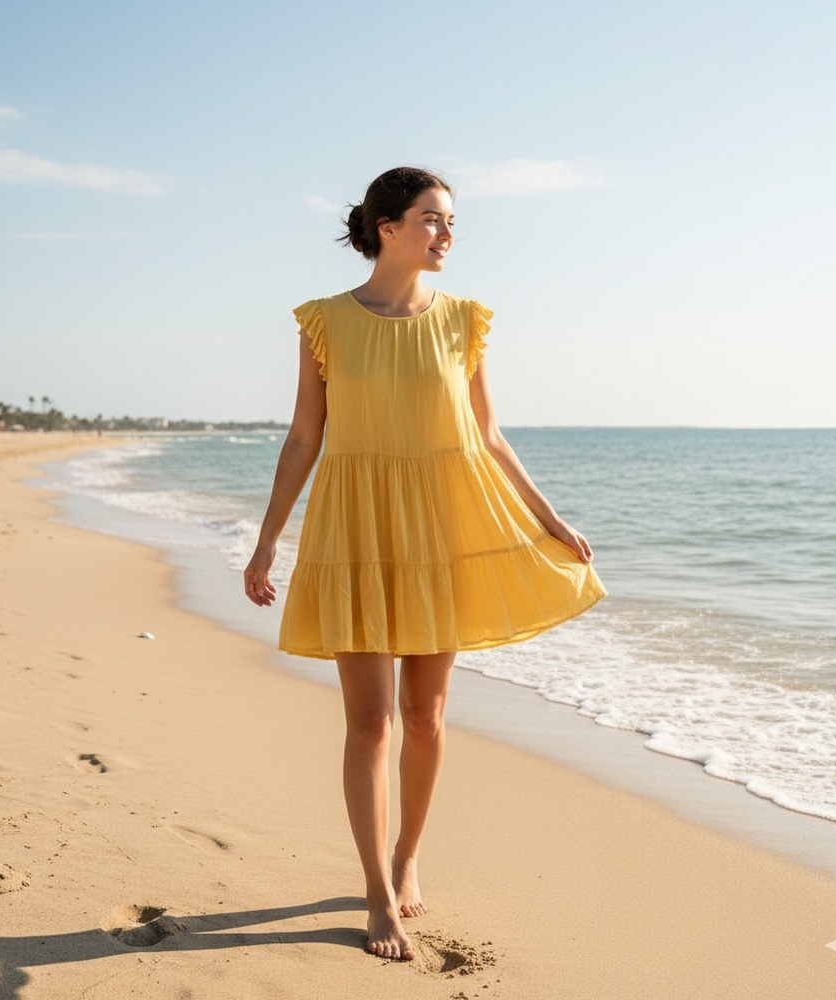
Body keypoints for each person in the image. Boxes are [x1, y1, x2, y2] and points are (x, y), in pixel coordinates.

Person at [244, 166, 606, 961]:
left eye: (450, 223)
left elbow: (488, 435)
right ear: (387, 228)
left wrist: (550, 519)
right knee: (369, 721)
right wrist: (269, 538)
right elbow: (305, 437)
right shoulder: (324, 323)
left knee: (425, 716)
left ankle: (410, 853)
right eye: (432, 220)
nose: (446, 235)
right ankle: (377, 892)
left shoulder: (464, 321)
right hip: (355, 527)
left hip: (438, 527)